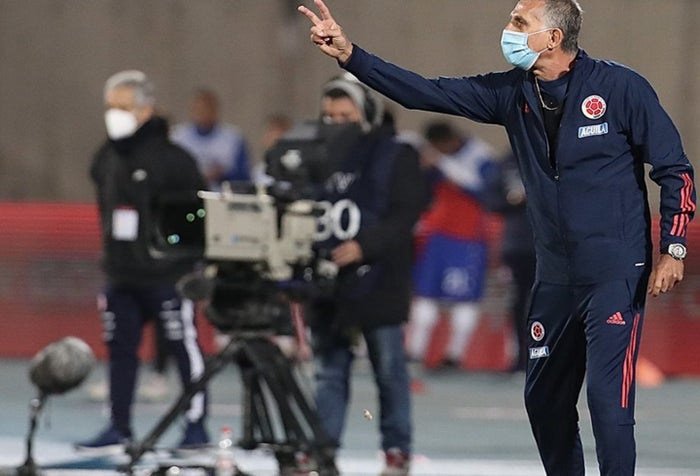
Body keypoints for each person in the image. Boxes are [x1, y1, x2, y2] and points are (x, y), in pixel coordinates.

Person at [298, 1, 697, 475]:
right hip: (554, 275)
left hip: (614, 271)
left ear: (553, 38)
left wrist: (673, 247)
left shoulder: (621, 87)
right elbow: (424, 92)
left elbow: (675, 169)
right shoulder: (511, 92)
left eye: (519, 22)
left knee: (608, 401)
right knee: (544, 402)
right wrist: (350, 55)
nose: (508, 29)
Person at [75, 70, 210, 454]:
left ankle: (196, 427)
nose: (114, 114)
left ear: (146, 109)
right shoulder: (107, 156)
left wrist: (189, 262)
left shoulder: (175, 159)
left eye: (123, 106)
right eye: (111, 106)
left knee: (182, 347)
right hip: (121, 275)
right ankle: (118, 426)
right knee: (120, 351)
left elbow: (196, 214)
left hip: (167, 274)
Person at [308, 73, 425, 475]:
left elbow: (405, 214)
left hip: (380, 278)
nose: (337, 124)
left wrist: (364, 246)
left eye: (346, 116)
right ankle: (323, 449)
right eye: (330, 116)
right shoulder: (313, 155)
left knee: (390, 371)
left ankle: (396, 450)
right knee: (327, 372)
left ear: (368, 115)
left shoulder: (396, 154)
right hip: (327, 281)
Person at [406, 121, 497, 369]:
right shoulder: (434, 158)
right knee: (426, 294)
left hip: (468, 238)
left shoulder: (481, 156)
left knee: (464, 298)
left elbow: (488, 194)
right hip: (438, 236)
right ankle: (414, 351)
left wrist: (444, 166)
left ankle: (454, 355)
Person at [483, 151, 536, 373]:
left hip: (552, 244)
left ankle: (551, 356)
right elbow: (490, 200)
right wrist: (512, 201)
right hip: (517, 246)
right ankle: (521, 356)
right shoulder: (506, 163)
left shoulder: (554, 154)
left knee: (550, 302)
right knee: (518, 303)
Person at [171, 88, 251, 191]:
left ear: (215, 110)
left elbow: (243, 178)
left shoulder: (233, 138)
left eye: (206, 109)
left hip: (220, 195)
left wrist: (222, 175)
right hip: (187, 195)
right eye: (198, 109)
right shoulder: (178, 137)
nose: (201, 113)